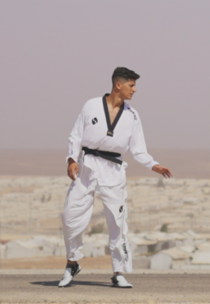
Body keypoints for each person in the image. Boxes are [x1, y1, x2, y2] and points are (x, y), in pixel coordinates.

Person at [58, 67, 173, 288]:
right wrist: (71, 159)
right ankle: (72, 263)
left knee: (117, 223)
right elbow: (75, 135)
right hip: (87, 167)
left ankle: (118, 272)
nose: (135, 90)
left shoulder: (132, 115)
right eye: (132, 85)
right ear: (118, 85)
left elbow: (138, 149)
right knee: (70, 217)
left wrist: (153, 165)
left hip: (113, 170)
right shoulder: (91, 105)